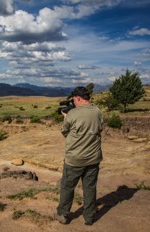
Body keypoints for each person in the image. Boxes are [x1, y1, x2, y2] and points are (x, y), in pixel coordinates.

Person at [55, 86, 103, 226]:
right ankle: (89, 216)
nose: (74, 103)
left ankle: (62, 214)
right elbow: (99, 128)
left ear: (78, 98)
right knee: (89, 187)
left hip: (74, 159)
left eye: (74, 100)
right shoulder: (97, 111)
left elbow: (64, 132)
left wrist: (66, 117)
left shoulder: (72, 114)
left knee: (67, 187)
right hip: (93, 158)